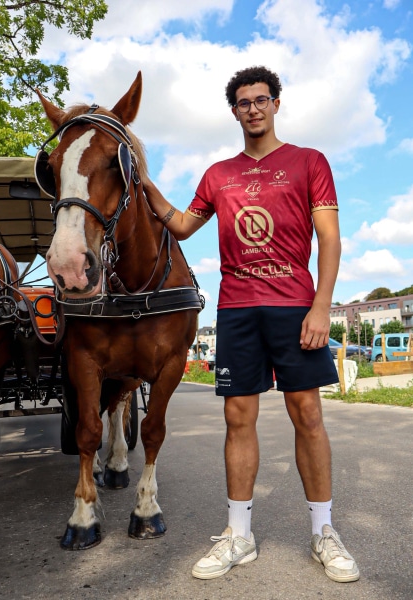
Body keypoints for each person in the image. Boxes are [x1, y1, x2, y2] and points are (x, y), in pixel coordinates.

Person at [143, 66, 359, 583]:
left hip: (295, 306)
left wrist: (322, 307)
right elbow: (183, 226)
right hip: (237, 309)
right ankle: (238, 535)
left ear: (276, 103)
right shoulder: (218, 174)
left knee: (307, 414)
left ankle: (324, 532)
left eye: (262, 99)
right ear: (235, 112)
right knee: (238, 417)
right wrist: (145, 184)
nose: (254, 109)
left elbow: (329, 239)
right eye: (244, 102)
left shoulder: (309, 162)